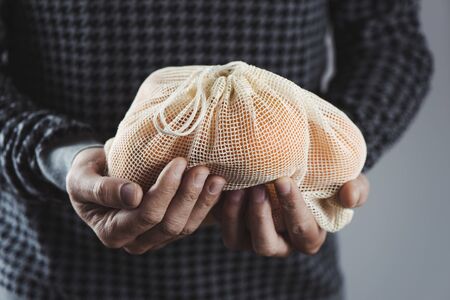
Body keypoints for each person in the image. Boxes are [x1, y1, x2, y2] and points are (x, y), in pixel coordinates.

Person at [0, 0, 432, 299]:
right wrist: (54, 154)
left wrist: (331, 162)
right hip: (55, 274)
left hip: (282, 285)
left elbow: (390, 40)